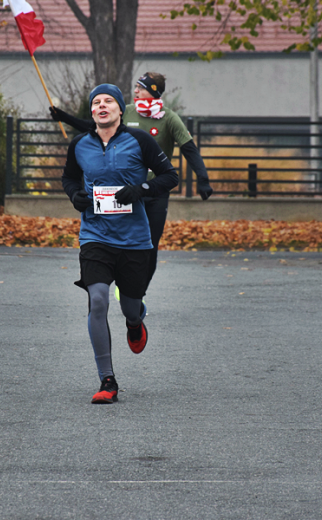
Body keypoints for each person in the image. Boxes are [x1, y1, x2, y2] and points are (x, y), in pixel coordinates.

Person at [62, 84, 178, 404]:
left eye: (108, 101)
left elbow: (170, 176)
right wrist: (75, 195)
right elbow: (69, 178)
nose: (102, 106)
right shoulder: (80, 145)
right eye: (96, 102)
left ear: (120, 109)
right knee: (98, 300)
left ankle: (135, 320)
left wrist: (141, 188)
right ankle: (107, 380)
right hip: (95, 235)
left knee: (129, 305)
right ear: (91, 111)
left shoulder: (140, 140)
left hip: (134, 240)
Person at [52, 72, 212, 290]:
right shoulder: (124, 110)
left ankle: (138, 291)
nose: (136, 91)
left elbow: (189, 149)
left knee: (150, 246)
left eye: (141, 87)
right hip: (123, 191)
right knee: (115, 241)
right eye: (135, 87)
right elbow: (95, 129)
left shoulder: (169, 118)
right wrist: (64, 117)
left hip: (154, 191)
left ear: (154, 91)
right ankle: (117, 280)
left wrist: (202, 179)